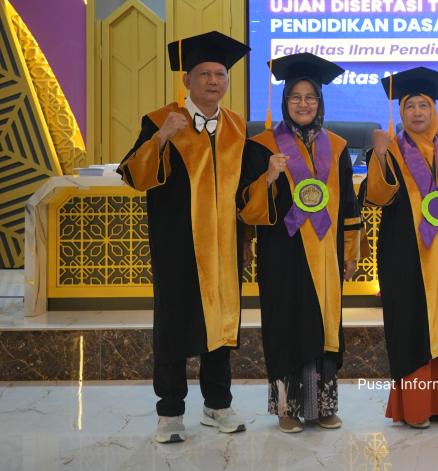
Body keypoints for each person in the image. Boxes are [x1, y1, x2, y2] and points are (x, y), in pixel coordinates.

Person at [117, 31, 251, 444]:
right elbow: (134, 176)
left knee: (221, 323)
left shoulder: (237, 126)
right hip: (177, 244)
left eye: (220, 74)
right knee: (174, 325)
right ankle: (170, 411)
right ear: (187, 80)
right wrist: (161, 137)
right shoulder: (160, 119)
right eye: (204, 74)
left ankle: (217, 404)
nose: (213, 81)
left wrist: (246, 240)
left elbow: (243, 191)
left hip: (224, 245)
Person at [236, 53, 367, 433]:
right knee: (286, 323)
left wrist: (351, 252)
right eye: (295, 97)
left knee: (324, 324)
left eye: (311, 97)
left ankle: (322, 407)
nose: (303, 104)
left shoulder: (337, 146)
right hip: (282, 252)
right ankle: (287, 409)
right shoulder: (261, 146)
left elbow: (349, 204)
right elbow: (244, 208)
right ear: (285, 101)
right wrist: (268, 177)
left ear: (320, 102)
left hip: (326, 251)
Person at [365, 67, 438, 429]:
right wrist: (379, 156)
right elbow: (377, 197)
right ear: (400, 112)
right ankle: (414, 408)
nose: (416, 112)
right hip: (406, 256)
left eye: (423, 105)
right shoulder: (390, 149)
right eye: (409, 105)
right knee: (412, 326)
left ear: (433, 110)